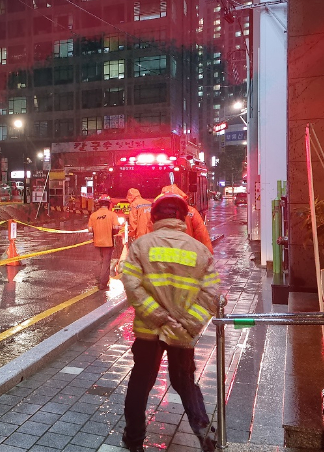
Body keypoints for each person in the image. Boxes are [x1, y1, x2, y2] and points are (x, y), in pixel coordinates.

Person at [119, 192, 220, 452]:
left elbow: (131, 285)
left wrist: (158, 316)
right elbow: (212, 295)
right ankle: (205, 434)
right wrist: (186, 324)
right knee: (185, 383)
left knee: (140, 384)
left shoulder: (141, 246)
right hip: (182, 335)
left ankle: (133, 441)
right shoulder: (198, 250)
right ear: (182, 218)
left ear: (153, 218)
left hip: (147, 333)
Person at [161, 184, 213, 253]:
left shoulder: (156, 212)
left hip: (162, 253)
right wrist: (208, 254)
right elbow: (201, 235)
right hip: (186, 253)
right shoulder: (191, 212)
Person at [87, 194, 121, 291]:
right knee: (106, 263)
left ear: (99, 204)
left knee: (99, 262)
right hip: (108, 243)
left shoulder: (93, 215)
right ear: (109, 204)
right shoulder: (112, 215)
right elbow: (116, 227)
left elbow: (90, 229)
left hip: (97, 242)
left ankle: (98, 280)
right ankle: (103, 284)